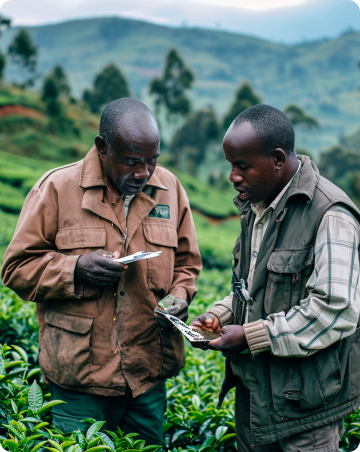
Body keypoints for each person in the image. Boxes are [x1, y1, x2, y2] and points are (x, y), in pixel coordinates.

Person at [1, 98, 202, 445]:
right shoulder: (56, 189)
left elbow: (187, 264)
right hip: (80, 380)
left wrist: (180, 295)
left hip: (148, 378)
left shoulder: (170, 189)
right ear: (102, 148)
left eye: (152, 160)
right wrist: (74, 268)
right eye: (131, 162)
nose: (143, 173)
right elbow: (17, 268)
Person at [190, 104, 360, 451]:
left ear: (278, 159)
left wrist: (252, 336)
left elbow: (336, 310)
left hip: (306, 415)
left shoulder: (330, 214)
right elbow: (252, 289)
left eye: (243, 166)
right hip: (255, 402)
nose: (232, 176)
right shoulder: (257, 206)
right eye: (230, 165)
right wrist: (220, 316)